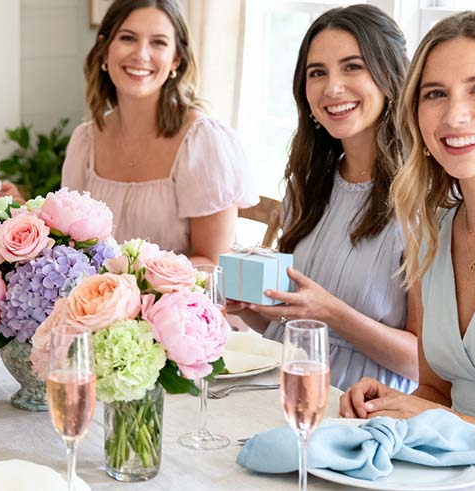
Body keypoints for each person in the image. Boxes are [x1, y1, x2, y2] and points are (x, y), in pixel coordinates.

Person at [229, 5, 418, 393]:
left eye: (353, 67)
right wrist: (253, 310)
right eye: (318, 73)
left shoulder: (423, 203)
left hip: (360, 411)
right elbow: (289, 326)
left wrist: (331, 313)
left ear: (390, 76)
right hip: (280, 392)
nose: (332, 88)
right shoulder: (309, 185)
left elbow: (423, 365)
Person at [341, 9, 475, 428]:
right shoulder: (431, 233)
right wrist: (391, 402)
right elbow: (437, 393)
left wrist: (435, 416)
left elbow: (441, 413)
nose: (454, 116)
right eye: (435, 94)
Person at [61, 0, 257, 263]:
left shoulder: (203, 142)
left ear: (176, 59)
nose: (141, 54)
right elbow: (69, 246)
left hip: (178, 301)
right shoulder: (85, 141)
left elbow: (213, 262)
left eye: (158, 42)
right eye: (128, 38)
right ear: (105, 49)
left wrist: (134, 289)